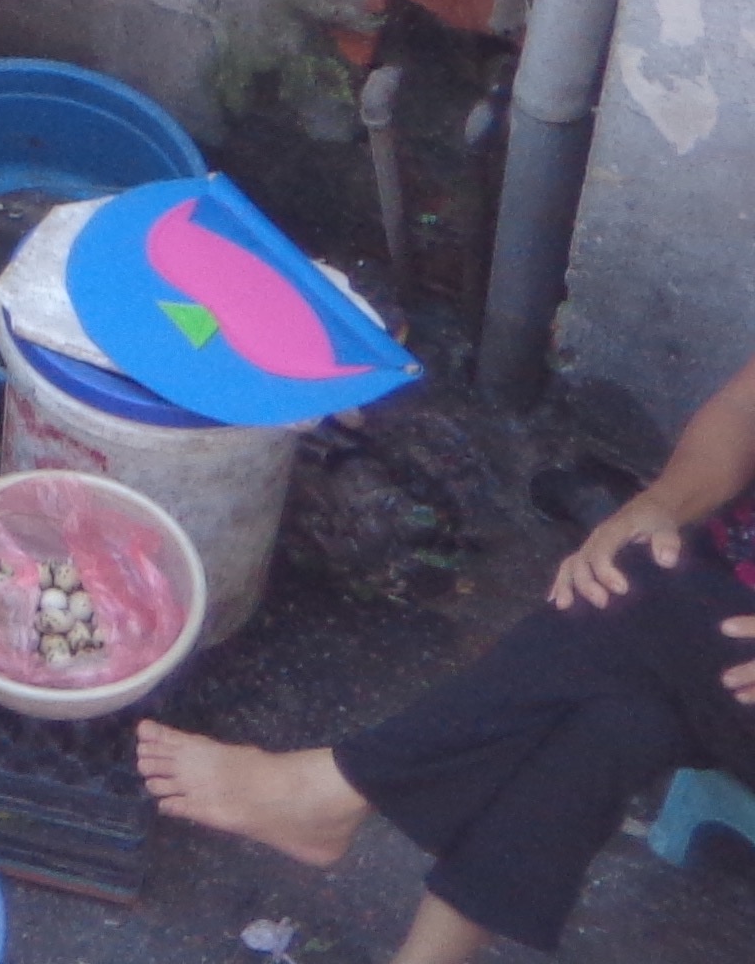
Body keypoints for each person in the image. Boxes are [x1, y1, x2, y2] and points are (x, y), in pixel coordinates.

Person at [142, 345, 755, 961]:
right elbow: (742, 408)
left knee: (635, 590)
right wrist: (661, 502)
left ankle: (341, 782)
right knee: (616, 713)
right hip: (717, 605)